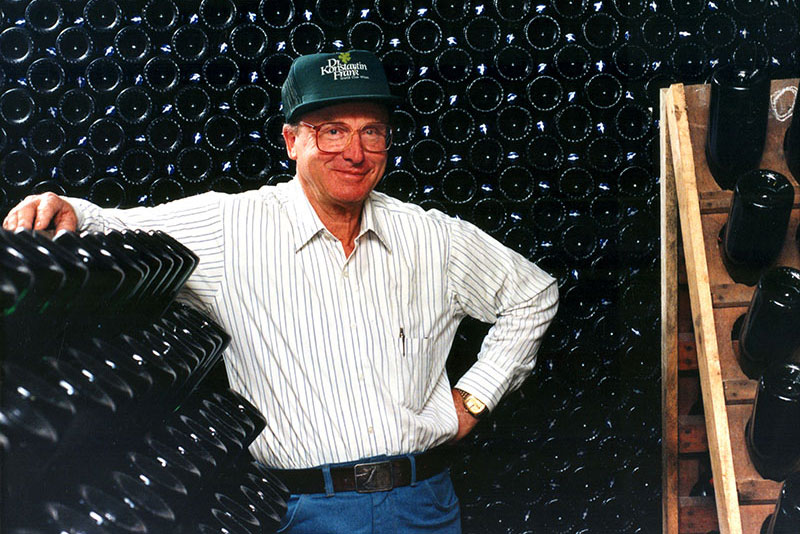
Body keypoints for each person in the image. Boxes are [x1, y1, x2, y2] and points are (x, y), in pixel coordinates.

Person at [3, 50, 558, 533]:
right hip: (297, 510)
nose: (356, 152)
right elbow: (116, 227)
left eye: (372, 131)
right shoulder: (229, 226)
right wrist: (67, 207)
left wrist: (476, 397)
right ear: (292, 140)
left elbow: (534, 293)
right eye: (332, 130)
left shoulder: (434, 237)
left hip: (420, 506)